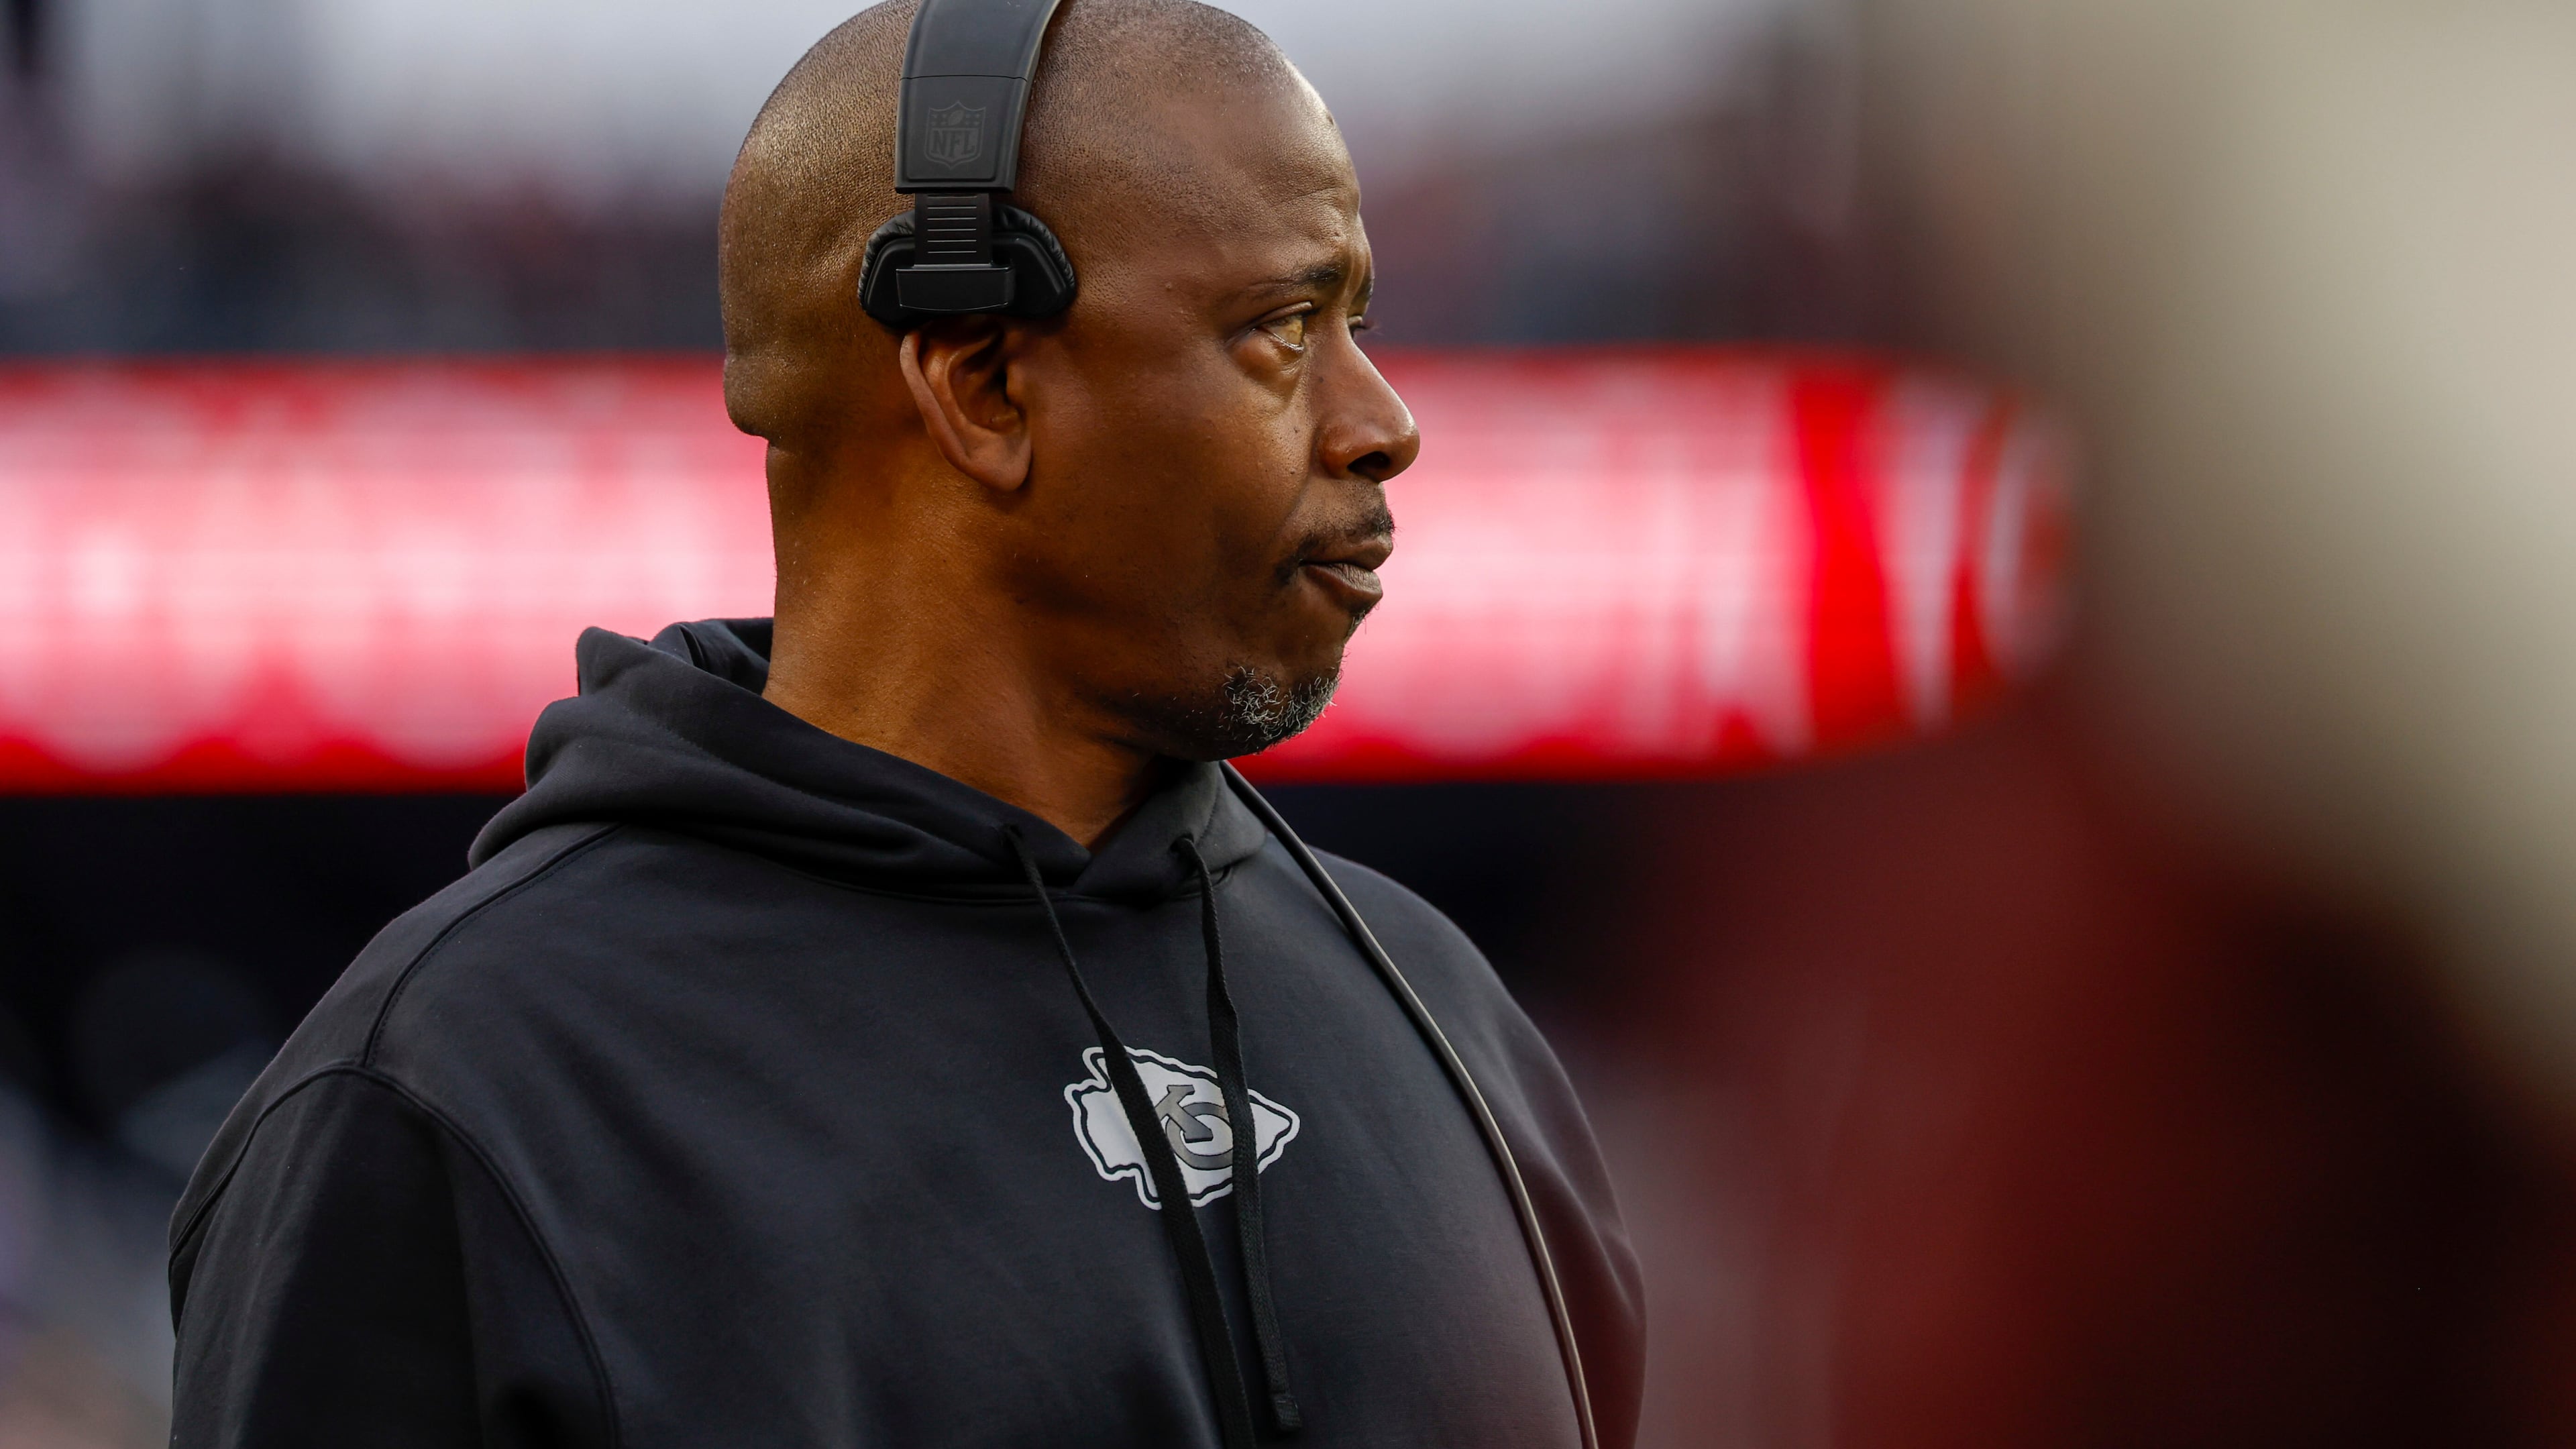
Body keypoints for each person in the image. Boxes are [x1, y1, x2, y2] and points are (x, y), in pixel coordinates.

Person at [166, 1, 1643, 1444]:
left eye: (1358, 321)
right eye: (1280, 328)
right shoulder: (456, 1098)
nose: (1383, 418)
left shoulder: (1441, 1014)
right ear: (983, 385)